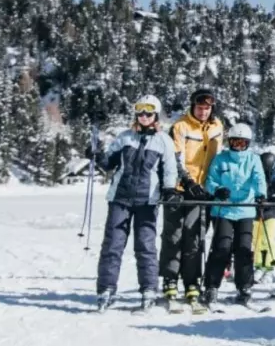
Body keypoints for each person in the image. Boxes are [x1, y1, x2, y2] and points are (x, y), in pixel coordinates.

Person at [94, 96, 179, 308]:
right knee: (112, 246)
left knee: (145, 246)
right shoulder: (125, 138)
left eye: (148, 113)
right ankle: (106, 289)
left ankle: (149, 289)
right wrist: (97, 155)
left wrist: (169, 190)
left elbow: (170, 169)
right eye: (140, 112)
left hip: (147, 201)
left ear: (156, 115)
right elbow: (109, 163)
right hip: (120, 199)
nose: (143, 117)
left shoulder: (163, 141)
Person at [161, 86, 224, 305]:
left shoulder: (217, 126)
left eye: (207, 108)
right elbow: (175, 157)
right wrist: (187, 181)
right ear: (192, 106)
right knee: (174, 235)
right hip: (179, 188)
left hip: (202, 191)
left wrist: (213, 186)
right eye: (199, 107)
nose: (203, 112)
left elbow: (218, 160)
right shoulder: (180, 126)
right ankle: (170, 278)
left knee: (195, 236)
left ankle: (191, 280)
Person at [202, 123, 267, 306]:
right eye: (235, 142)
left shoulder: (253, 159)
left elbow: (258, 178)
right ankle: (211, 286)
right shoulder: (221, 159)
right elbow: (210, 180)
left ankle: (244, 287)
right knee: (222, 247)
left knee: (243, 249)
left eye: (242, 143)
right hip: (224, 209)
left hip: (245, 209)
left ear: (247, 143)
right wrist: (218, 190)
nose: (238, 146)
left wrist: (261, 194)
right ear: (229, 142)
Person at [253, 148, 275, 276]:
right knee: (257, 239)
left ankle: (269, 266)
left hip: (271, 212)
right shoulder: (256, 176)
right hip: (257, 212)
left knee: (268, 239)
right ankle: (259, 265)